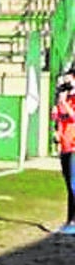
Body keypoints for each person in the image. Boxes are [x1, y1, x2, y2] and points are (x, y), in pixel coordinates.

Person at [51, 70, 75, 234]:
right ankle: (69, 220)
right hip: (65, 147)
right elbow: (59, 120)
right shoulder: (64, 100)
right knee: (69, 186)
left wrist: (64, 102)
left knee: (74, 185)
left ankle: (73, 222)